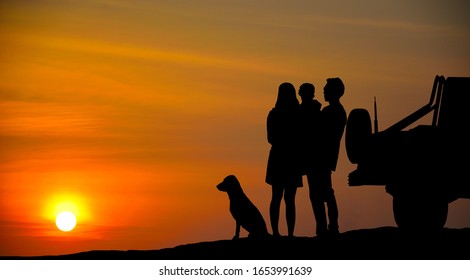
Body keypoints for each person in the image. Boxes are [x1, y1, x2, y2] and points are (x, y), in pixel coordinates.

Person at [309, 77, 347, 237]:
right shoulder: (337, 111)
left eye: (326, 89)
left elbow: (317, 130)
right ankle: (328, 227)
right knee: (324, 192)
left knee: (319, 194)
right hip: (326, 157)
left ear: (334, 92)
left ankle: (325, 228)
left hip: (320, 157)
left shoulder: (331, 111)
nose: (323, 91)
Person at [265, 82, 303, 238]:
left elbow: (271, 138)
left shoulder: (274, 114)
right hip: (289, 157)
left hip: (280, 157)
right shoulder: (296, 114)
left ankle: (278, 233)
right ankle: (288, 233)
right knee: (287, 198)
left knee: (279, 197)